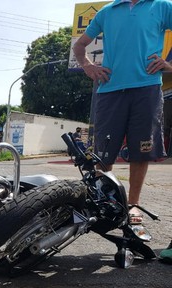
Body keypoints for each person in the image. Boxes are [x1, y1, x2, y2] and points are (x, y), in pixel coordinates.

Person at [72, 0, 172, 225]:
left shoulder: (162, 6)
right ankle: (101, 202)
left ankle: (133, 205)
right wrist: (88, 66)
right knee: (103, 153)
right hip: (109, 90)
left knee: (140, 150)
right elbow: (80, 46)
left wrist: (169, 65)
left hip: (147, 88)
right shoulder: (107, 11)